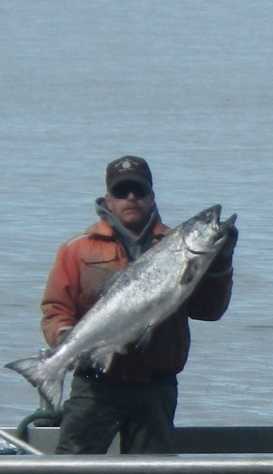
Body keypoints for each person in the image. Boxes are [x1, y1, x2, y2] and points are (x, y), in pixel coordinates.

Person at [39, 156, 235, 454]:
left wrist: (221, 261)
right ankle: (46, 371)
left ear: (152, 196)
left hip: (155, 384)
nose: (131, 198)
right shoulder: (77, 249)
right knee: (73, 468)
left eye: (139, 191)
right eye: (122, 191)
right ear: (109, 199)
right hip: (94, 382)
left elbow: (209, 312)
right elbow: (56, 309)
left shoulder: (176, 245)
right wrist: (65, 340)